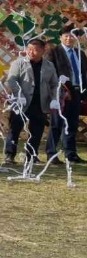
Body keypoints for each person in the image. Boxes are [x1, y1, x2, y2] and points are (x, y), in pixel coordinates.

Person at [4, 37, 59, 164]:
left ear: (43, 50)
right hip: (21, 102)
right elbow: (11, 80)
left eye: (35, 50)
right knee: (14, 129)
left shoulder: (49, 65)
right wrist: (19, 94)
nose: (31, 52)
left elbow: (55, 84)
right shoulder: (18, 63)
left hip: (40, 103)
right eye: (29, 49)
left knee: (37, 131)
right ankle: (9, 154)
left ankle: (31, 155)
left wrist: (54, 99)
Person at [45, 25, 86, 165]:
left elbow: (84, 73)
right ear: (60, 37)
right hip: (60, 93)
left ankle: (71, 154)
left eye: (72, 36)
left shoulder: (80, 53)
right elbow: (50, 74)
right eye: (66, 36)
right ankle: (51, 154)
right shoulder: (53, 52)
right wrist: (62, 91)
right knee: (56, 124)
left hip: (77, 92)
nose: (69, 38)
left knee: (72, 124)